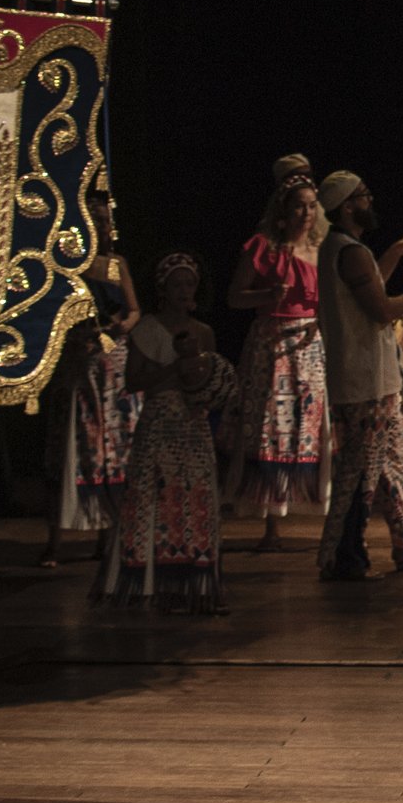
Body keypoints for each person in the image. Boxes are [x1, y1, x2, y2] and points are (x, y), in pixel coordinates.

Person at [105, 252, 238, 613]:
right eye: (177, 284)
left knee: (196, 500)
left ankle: (196, 584)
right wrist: (173, 370)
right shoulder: (147, 330)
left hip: (193, 425)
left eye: (189, 284)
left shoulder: (203, 332)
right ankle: (152, 583)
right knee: (156, 498)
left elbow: (209, 380)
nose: (184, 290)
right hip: (160, 423)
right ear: (163, 289)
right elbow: (133, 381)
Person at [314, 170, 403, 582]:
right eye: (363, 196)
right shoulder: (348, 251)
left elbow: (368, 286)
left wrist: (395, 253)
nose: (370, 201)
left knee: (391, 466)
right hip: (366, 380)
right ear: (347, 206)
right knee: (359, 471)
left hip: (370, 379)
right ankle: (341, 554)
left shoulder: (340, 248)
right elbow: (380, 309)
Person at [225, 166, 327, 551]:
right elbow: (235, 297)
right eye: (299, 206)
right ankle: (271, 524)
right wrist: (267, 296)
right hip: (272, 346)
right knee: (273, 429)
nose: (306, 214)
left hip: (310, 349)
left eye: (312, 206)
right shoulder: (262, 248)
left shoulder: (321, 251)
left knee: (308, 429)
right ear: (283, 209)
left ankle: (317, 512)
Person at [43, 186, 139, 572]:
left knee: (110, 449)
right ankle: (54, 541)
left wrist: (117, 329)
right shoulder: (67, 264)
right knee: (73, 445)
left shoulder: (115, 264)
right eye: (94, 220)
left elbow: (133, 311)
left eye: (105, 220)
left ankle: (107, 535)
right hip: (78, 362)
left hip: (112, 362)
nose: (100, 226)